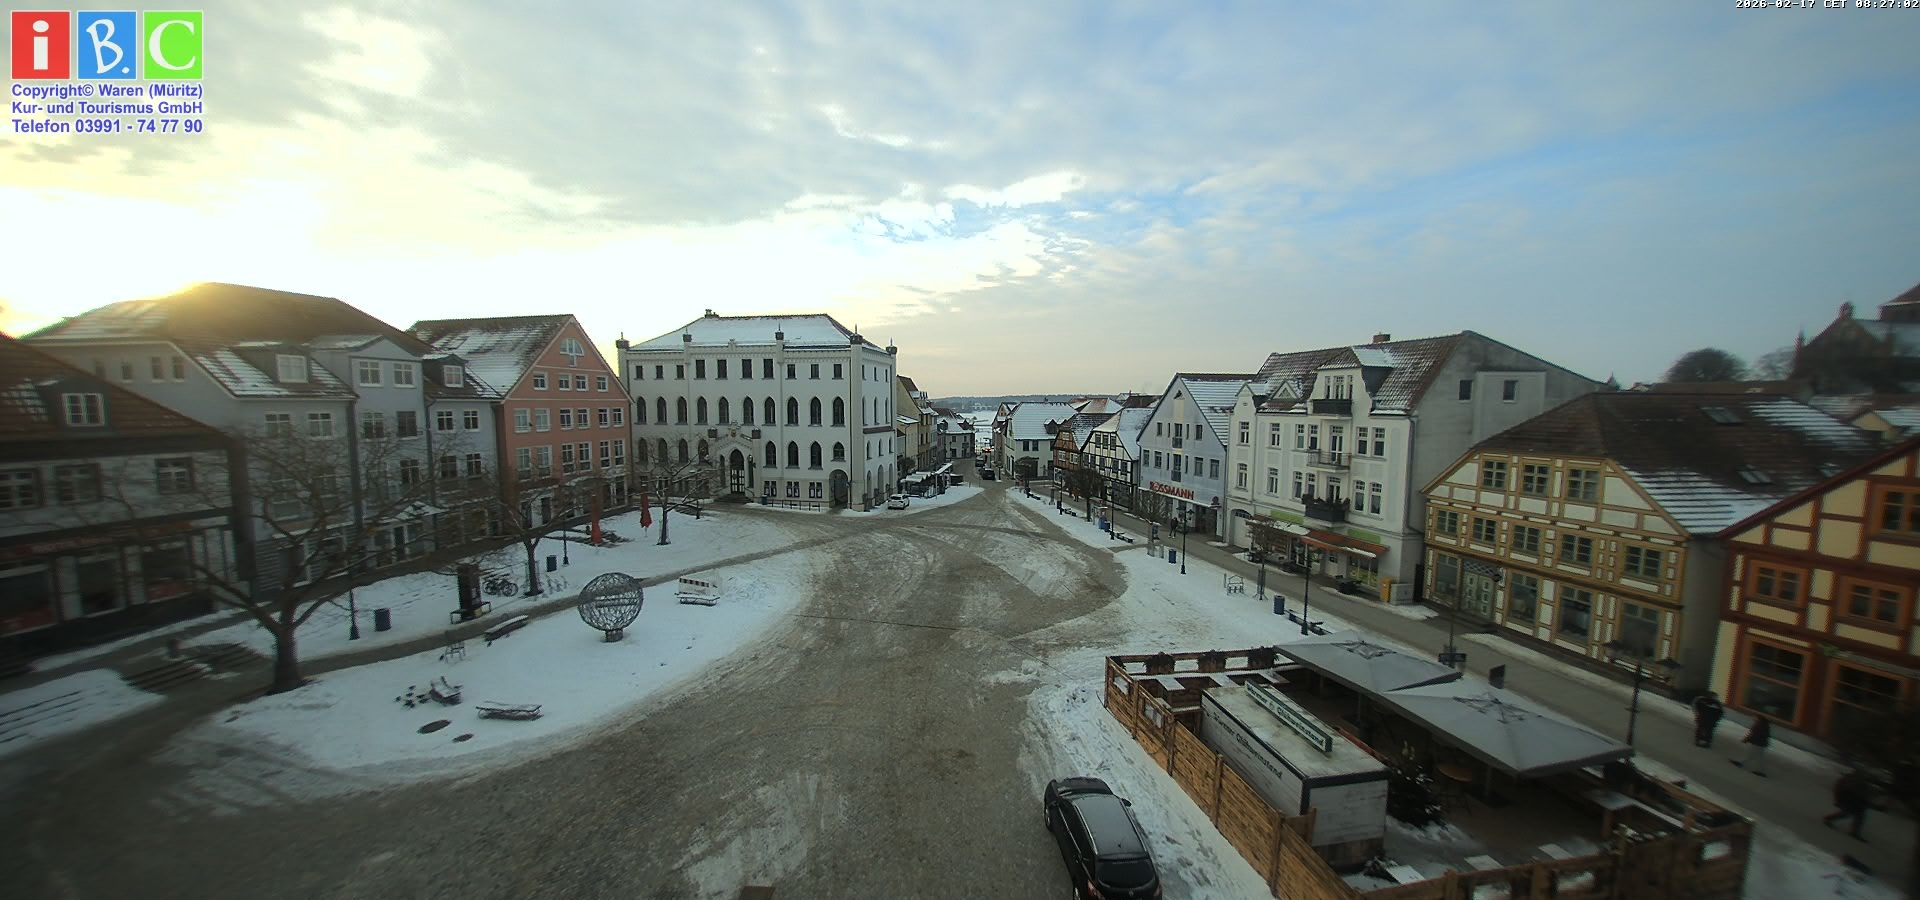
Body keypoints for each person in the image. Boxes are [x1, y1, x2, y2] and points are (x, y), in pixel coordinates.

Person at [1823, 770, 1875, 840]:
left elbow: (1865, 795)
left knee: (1859, 815)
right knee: (1847, 813)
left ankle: (1854, 831)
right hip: (1848, 799)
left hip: (1856, 801)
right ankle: (1828, 819)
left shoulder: (1862, 783)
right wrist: (1838, 799)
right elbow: (1839, 789)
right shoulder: (1850, 780)